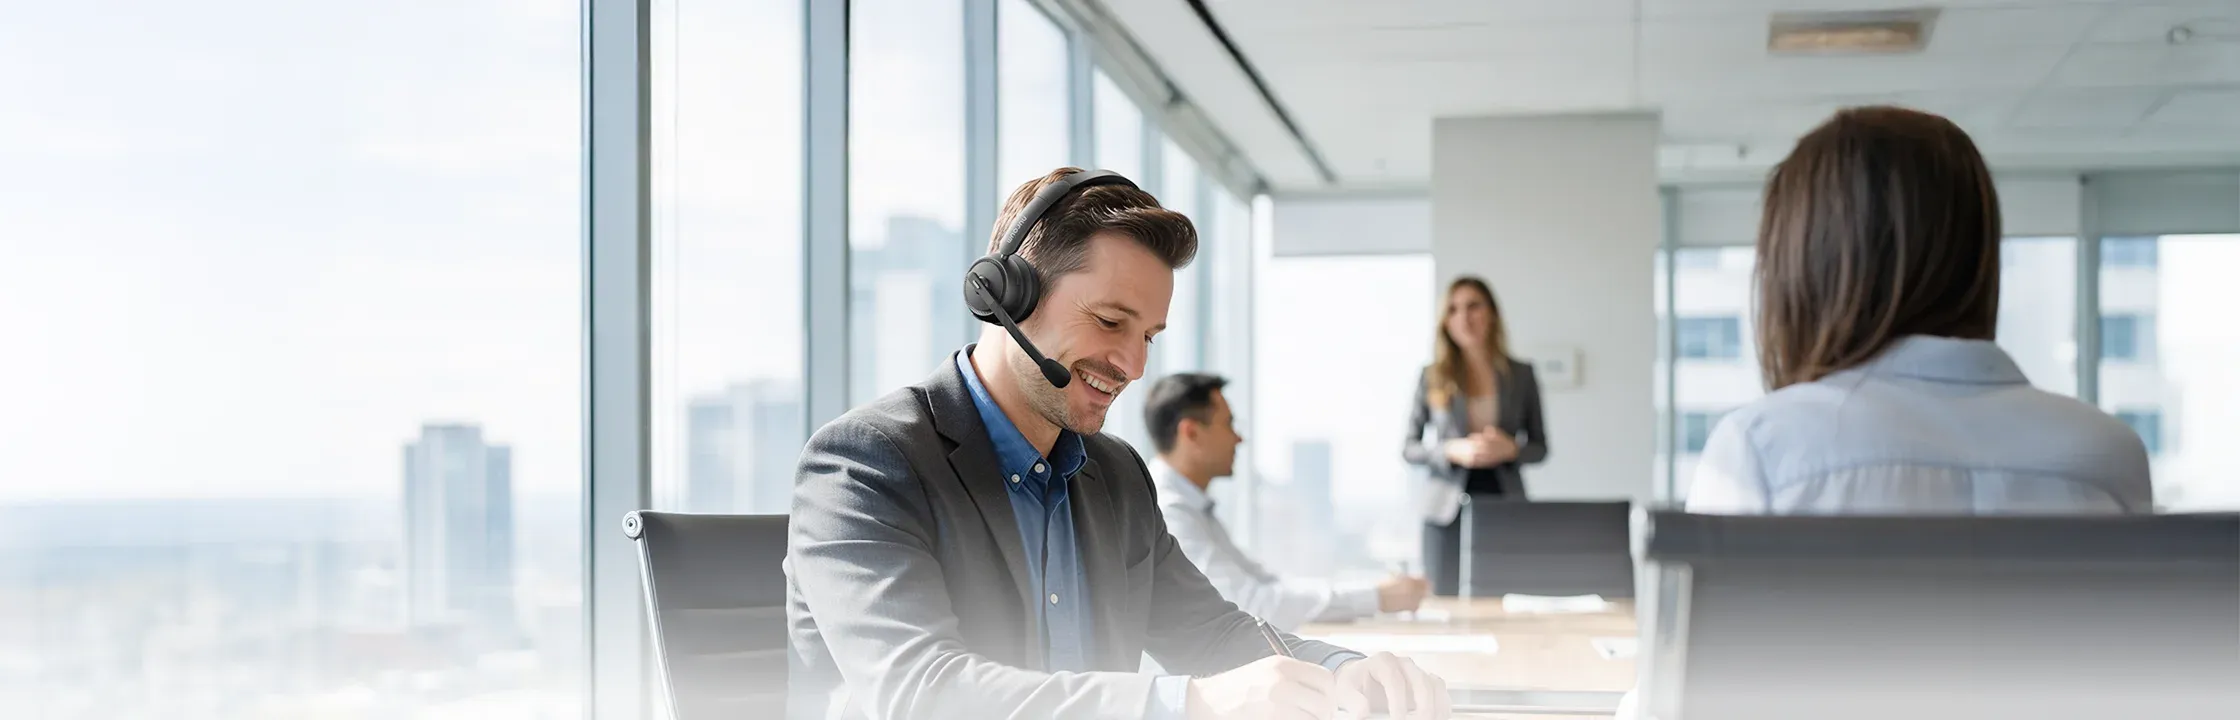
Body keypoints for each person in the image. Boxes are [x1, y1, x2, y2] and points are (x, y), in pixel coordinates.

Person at [787, 167, 1451, 720]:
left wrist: (1346, 673)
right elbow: (920, 692)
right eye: (1110, 321)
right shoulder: (865, 462)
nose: (1133, 365)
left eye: (1149, 337)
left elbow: (1212, 631)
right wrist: (1188, 703)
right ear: (1005, 295)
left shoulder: (1115, 473)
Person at [1685, 106, 2153, 515]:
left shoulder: (1762, 449)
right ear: (1976, 250)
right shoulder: (2109, 455)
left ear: (1803, 269)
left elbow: (1711, 618)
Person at [1142, 373, 1431, 632]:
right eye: (1228, 424)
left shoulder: (1191, 505)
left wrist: (1374, 593)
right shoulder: (1170, 510)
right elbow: (1252, 605)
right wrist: (1377, 598)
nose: (1239, 438)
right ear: (1191, 433)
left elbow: (1267, 583)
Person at [1402, 276, 1548, 597]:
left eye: (1473, 306)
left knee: (1505, 595)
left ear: (1491, 313)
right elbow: (1410, 448)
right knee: (1444, 600)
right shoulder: (1432, 376)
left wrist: (1510, 448)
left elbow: (1539, 448)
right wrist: (1451, 449)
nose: (1464, 317)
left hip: (1503, 501)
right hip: (1443, 509)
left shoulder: (1521, 375)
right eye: (1453, 309)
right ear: (1446, 322)